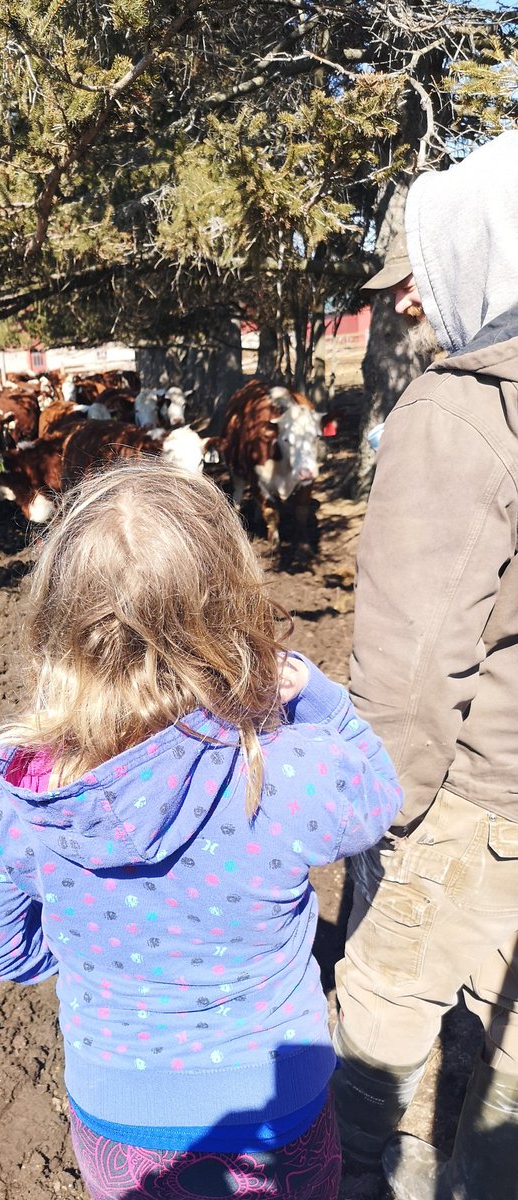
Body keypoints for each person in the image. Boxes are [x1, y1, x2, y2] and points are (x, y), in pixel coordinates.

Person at [0, 459, 402, 1200]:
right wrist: (312, 692)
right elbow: (380, 794)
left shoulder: (16, 788)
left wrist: (88, 950)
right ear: (234, 605)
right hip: (278, 1113)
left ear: (55, 618)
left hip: (116, 1116)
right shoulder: (285, 769)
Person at [332, 130, 518, 1200]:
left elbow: (409, 680)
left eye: (432, 265)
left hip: (483, 794)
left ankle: (369, 1180)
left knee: (382, 1013)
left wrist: (378, 821)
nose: (412, 299)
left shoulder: (463, 409)